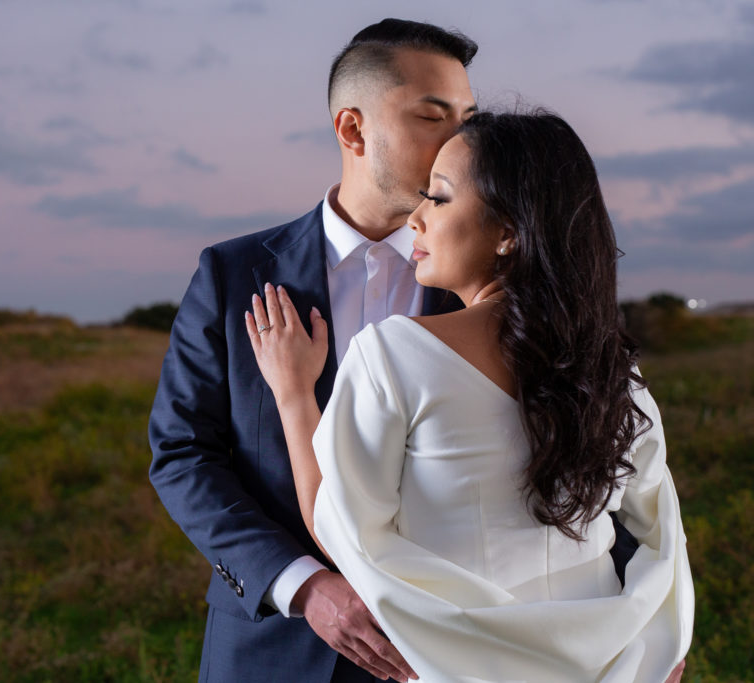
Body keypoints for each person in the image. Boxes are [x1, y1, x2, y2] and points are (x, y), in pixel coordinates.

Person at [149, 17, 679, 683]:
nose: (461, 137)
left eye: (469, 116)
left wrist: (636, 637)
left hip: (476, 651)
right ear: (352, 128)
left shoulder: (510, 285)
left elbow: (600, 472)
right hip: (276, 649)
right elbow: (181, 454)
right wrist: (302, 585)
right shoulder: (235, 275)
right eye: (434, 115)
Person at [244, 111, 695, 681]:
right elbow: (663, 529)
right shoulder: (611, 368)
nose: (416, 219)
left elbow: (342, 530)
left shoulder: (391, 354)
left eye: (437, 197)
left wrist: (292, 394)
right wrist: (661, 646)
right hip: (614, 665)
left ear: (509, 232)